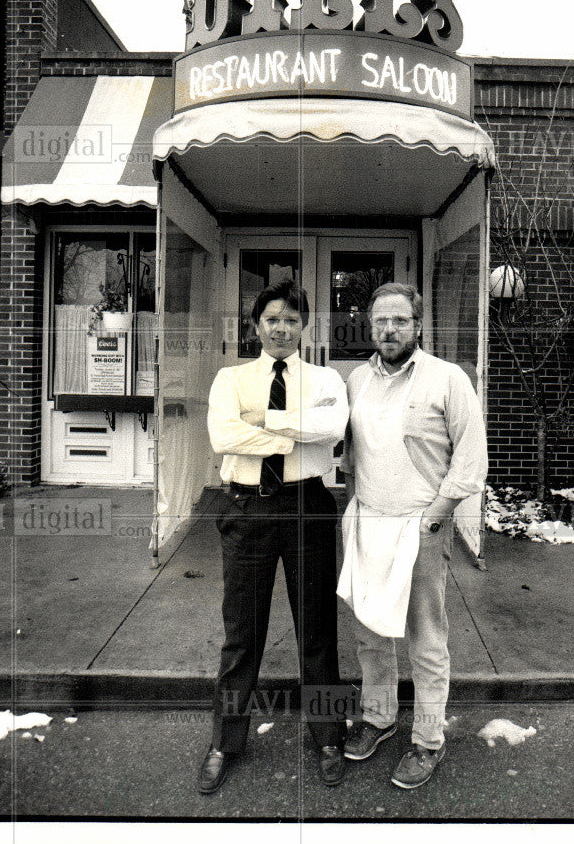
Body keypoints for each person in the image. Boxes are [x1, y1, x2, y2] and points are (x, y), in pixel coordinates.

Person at [198, 280, 349, 793]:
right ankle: (224, 742)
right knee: (242, 634)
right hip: (248, 508)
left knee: (318, 630)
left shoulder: (327, 377)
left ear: (305, 326)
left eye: (291, 319)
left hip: (308, 505)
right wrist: (294, 430)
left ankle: (329, 736)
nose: (282, 328)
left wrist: (265, 420)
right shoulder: (230, 378)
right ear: (255, 326)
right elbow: (224, 436)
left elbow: (332, 430)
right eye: (272, 319)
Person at [337, 282, 487, 790]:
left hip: (422, 525)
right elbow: (353, 454)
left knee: (425, 638)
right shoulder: (357, 379)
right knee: (371, 636)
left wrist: (435, 518)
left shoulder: (447, 379)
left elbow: (470, 460)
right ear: (370, 325)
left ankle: (427, 741)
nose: (389, 329)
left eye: (400, 320)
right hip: (368, 521)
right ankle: (379, 720)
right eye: (380, 320)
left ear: (418, 325)